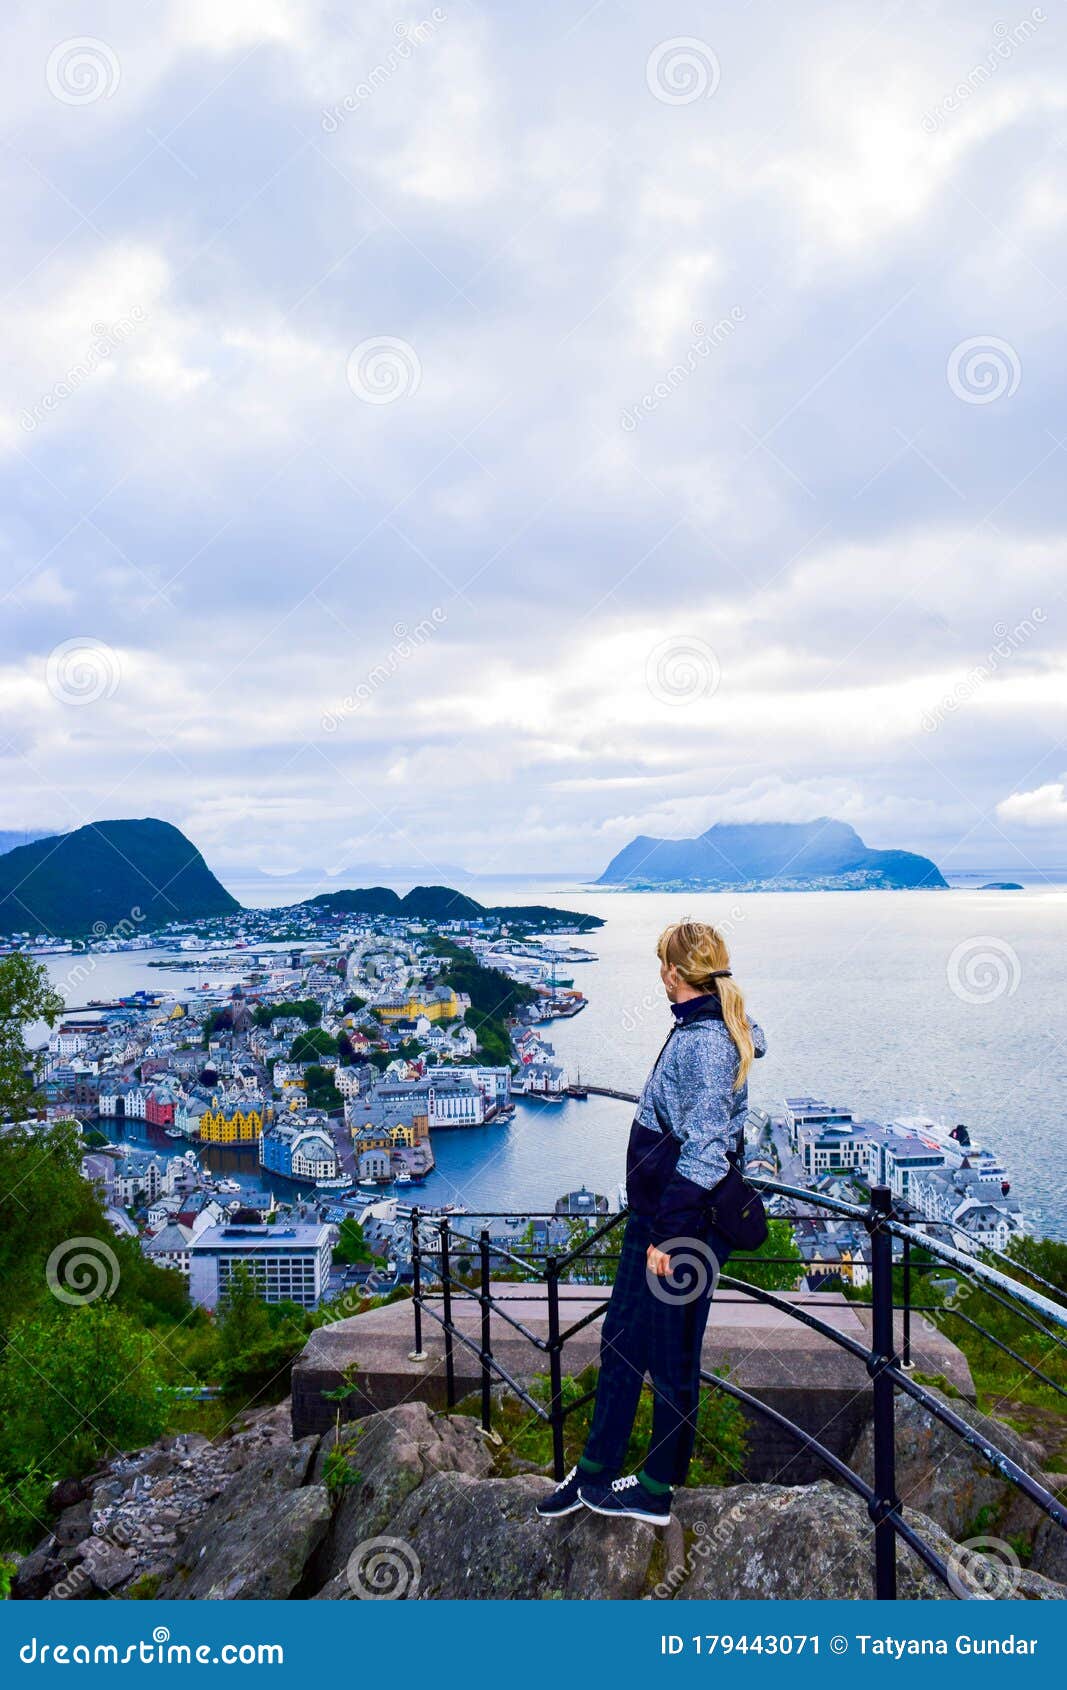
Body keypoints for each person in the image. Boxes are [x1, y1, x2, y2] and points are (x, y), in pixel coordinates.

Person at [536, 919, 766, 1525]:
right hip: (662, 1215)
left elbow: (708, 1149)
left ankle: (658, 1487)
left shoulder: (710, 1043)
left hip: (681, 1224)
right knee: (622, 1345)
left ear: (674, 972)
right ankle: (593, 1475)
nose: (658, 973)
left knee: (671, 1356)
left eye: (661, 964)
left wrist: (667, 1236)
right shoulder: (696, 1028)